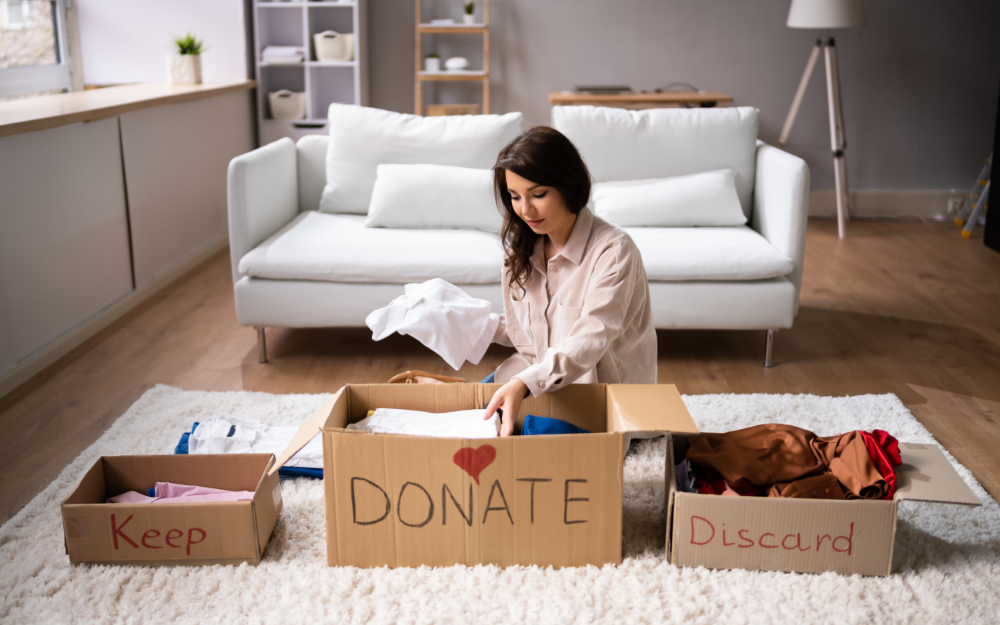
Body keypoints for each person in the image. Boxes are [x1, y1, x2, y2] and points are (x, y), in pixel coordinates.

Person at [483, 127, 657, 436]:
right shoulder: (522, 248)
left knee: (523, 437)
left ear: (569, 186)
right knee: (471, 412)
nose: (525, 210)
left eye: (538, 195)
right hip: (540, 376)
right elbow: (527, 332)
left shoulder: (614, 251)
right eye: (514, 197)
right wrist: (466, 322)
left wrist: (524, 383)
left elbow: (590, 339)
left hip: (596, 395)